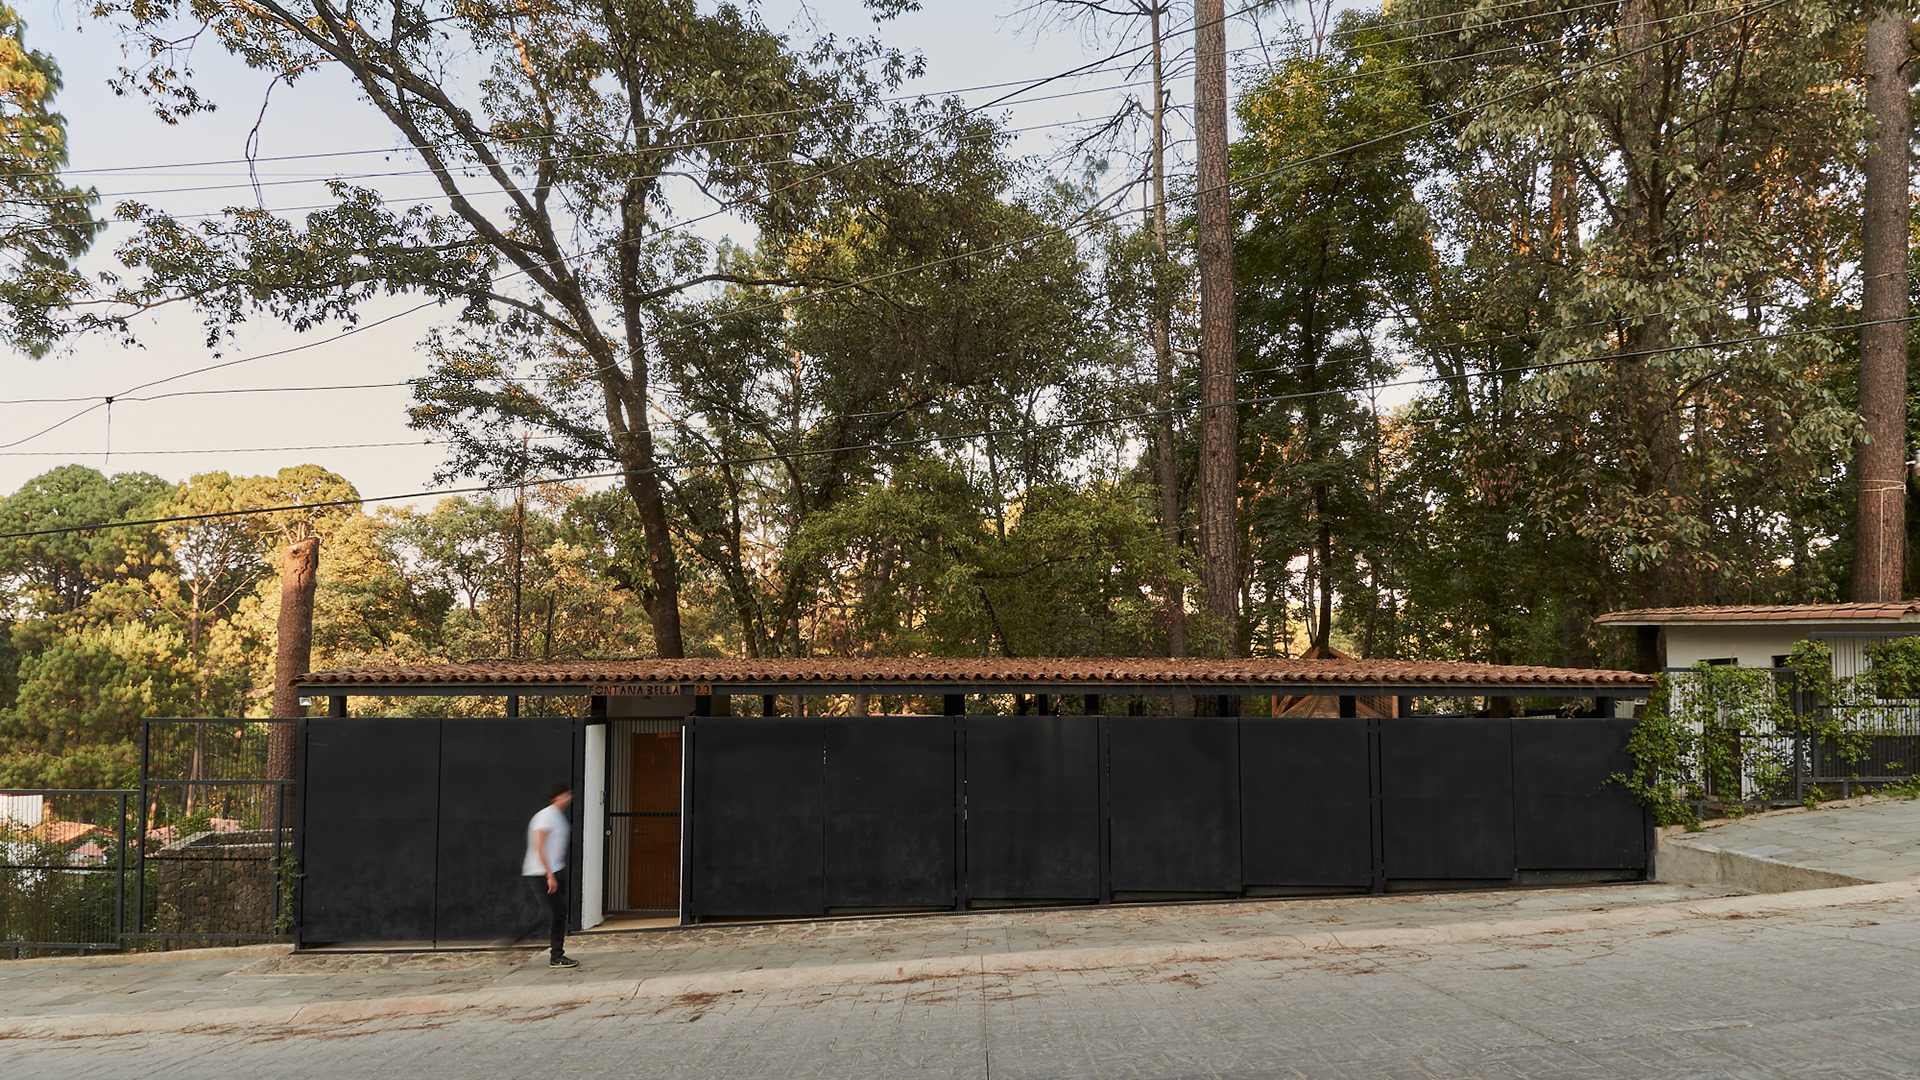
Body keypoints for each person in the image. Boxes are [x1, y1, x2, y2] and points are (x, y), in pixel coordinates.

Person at [522, 782, 577, 968]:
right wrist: (549, 875)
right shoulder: (545, 816)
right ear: (557, 796)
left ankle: (556, 954)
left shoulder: (557, 816)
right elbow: (539, 847)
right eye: (567, 794)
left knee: (558, 913)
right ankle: (555, 956)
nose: (569, 797)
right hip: (541, 872)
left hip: (555, 870)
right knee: (555, 913)